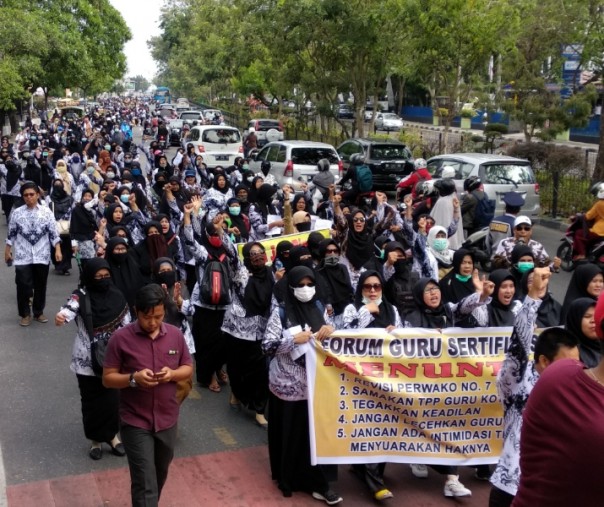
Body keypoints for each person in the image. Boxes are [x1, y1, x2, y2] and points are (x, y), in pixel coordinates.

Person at [489, 268, 579, 507]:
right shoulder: (518, 380)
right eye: (567, 362)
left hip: (554, 488)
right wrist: (533, 297)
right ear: (543, 362)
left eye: (577, 362)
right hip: (511, 486)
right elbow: (518, 345)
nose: (574, 368)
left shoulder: (574, 387)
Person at [103, 284, 193, 507]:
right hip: (135, 420)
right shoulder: (120, 339)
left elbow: (187, 368)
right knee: (145, 481)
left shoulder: (175, 335)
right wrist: (133, 378)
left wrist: (172, 374)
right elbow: (108, 378)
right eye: (147, 317)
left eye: (158, 316)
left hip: (167, 419)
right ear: (136, 311)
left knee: (159, 474)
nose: (152, 322)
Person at [511, 295, 604, 507]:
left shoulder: (561, 375)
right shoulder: (560, 379)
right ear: (543, 361)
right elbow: (516, 355)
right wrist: (533, 297)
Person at [262, 266, 342, 505]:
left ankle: (319, 483)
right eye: (301, 285)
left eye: (310, 284)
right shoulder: (282, 313)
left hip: (318, 385)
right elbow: (266, 346)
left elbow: (334, 340)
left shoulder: (319, 308)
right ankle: (289, 479)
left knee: (316, 436)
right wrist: (291, 340)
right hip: (287, 386)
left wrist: (332, 329)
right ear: (291, 287)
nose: (306, 289)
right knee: (292, 435)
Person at [333, 270, 400, 501]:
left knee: (382, 425)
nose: (372, 291)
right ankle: (375, 482)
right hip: (359, 378)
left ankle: (368, 471)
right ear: (360, 289)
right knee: (367, 422)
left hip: (386, 378)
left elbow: (403, 342)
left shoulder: (392, 310)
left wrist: (396, 333)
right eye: (367, 287)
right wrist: (365, 312)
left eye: (377, 287)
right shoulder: (353, 309)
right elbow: (345, 336)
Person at [55, 258, 131, 460]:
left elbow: (127, 325)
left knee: (112, 399)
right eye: (98, 277)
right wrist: (61, 316)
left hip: (113, 358)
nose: (103, 280)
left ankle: (113, 437)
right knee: (91, 401)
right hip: (86, 361)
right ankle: (95, 441)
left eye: (106, 276)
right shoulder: (80, 296)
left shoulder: (117, 296)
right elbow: (69, 309)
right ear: (89, 277)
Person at [222, 242, 274, 428]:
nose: (258, 256)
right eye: (253, 254)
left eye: (261, 252)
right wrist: (221, 234)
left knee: (260, 373)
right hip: (236, 330)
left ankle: (259, 410)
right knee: (236, 369)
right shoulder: (241, 272)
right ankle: (236, 393)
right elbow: (232, 255)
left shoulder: (270, 274)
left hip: (260, 332)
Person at [5, 182, 62, 326]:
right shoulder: (17, 213)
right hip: (23, 256)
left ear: (37, 195)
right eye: (26, 195)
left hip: (42, 254)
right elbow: (11, 233)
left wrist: (58, 249)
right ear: (22, 197)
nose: (29, 197)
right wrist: (7, 251)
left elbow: (53, 232)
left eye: (32, 194)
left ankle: (38, 312)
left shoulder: (46, 212)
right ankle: (24, 314)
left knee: (40, 285)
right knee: (23, 285)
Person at [492, 216, 561, 271]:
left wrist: (555, 265)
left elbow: (546, 264)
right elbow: (496, 262)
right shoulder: (505, 243)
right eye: (519, 228)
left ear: (531, 231)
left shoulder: (537, 246)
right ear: (514, 230)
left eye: (526, 228)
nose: (523, 231)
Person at [572, 182, 604, 260]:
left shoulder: (599, 204)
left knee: (579, 233)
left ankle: (582, 254)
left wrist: (579, 216)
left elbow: (588, 216)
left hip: (599, 231)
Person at [565, 298, 600, 368]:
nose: (593, 320)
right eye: (587, 316)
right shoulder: (568, 352)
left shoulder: (601, 346)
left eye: (596, 315)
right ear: (575, 320)